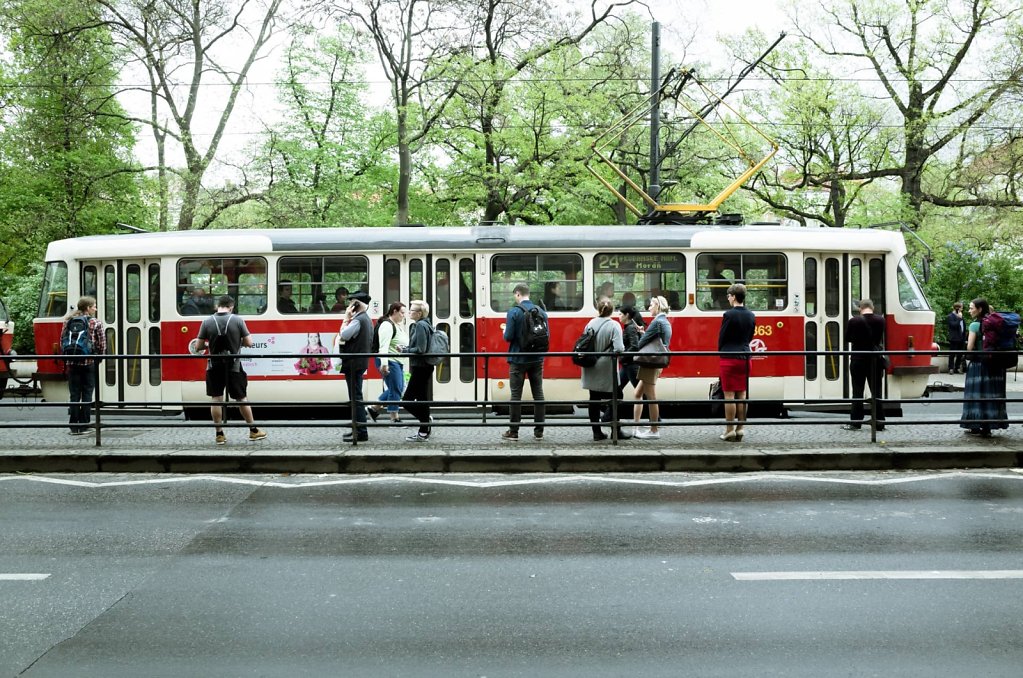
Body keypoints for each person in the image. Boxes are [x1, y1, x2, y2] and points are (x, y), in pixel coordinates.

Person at [194, 295, 267, 445]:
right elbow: (249, 342)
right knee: (241, 398)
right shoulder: (237, 320)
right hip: (234, 365)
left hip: (214, 365)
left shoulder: (207, 322)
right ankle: (253, 431)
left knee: (216, 399)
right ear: (231, 307)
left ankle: (219, 434)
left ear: (217, 306)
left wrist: (209, 345)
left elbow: (198, 347)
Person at [502, 283, 547, 441]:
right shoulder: (541, 311)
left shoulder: (514, 311)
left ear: (518, 294)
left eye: (515, 295)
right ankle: (539, 431)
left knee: (516, 395)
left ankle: (513, 432)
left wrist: (505, 331)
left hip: (518, 358)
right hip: (536, 358)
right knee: (538, 394)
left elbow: (508, 337)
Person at [960, 297, 1009, 437]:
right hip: (996, 365)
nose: (969, 311)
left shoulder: (975, 325)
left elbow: (969, 347)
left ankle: (975, 424)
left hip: (979, 365)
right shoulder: (997, 323)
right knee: (991, 395)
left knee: (977, 394)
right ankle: (988, 426)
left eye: (971, 308)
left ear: (979, 309)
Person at [581, 299, 625, 441]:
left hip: (591, 365)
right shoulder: (614, 325)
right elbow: (619, 348)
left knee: (594, 399)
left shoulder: (590, 324)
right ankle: (616, 431)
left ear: (598, 309)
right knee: (617, 397)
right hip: (607, 367)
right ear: (611, 311)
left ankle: (596, 432)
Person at [61, 296, 107, 435]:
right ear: (87, 308)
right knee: (87, 394)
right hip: (88, 362)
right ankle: (84, 425)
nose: (95, 308)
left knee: (74, 394)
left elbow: (62, 340)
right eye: (94, 306)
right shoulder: (95, 322)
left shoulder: (68, 321)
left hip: (72, 362)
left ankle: (74, 426)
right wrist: (99, 357)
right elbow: (102, 344)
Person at [718, 283, 756, 441]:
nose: (728, 298)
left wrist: (722, 349)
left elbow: (722, 337)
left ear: (733, 296)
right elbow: (750, 336)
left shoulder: (728, 314)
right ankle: (741, 428)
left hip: (729, 358)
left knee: (729, 395)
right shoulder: (751, 315)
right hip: (745, 357)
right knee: (742, 394)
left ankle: (729, 430)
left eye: (728, 295)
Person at [631, 295, 672, 439]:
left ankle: (654, 430)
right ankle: (635, 427)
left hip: (650, 363)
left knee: (651, 397)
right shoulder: (665, 322)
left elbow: (642, 343)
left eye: (651, 305)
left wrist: (641, 335)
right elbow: (656, 340)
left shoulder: (657, 322)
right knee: (637, 393)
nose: (649, 308)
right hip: (654, 362)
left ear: (658, 306)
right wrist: (644, 332)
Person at [844, 298, 887, 432]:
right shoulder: (881, 320)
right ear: (872, 307)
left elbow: (847, 339)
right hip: (875, 360)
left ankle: (856, 422)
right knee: (877, 392)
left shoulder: (854, 321)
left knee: (857, 391)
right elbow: (881, 338)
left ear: (860, 308)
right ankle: (879, 422)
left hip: (858, 360)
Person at [338, 291, 373, 442]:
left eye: (351, 302)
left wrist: (346, 318)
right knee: (356, 397)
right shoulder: (366, 319)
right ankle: (357, 429)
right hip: (359, 362)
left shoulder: (358, 320)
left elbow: (344, 335)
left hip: (353, 363)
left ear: (356, 304)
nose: (348, 305)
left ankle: (360, 432)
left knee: (355, 398)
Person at [368, 301, 408, 424]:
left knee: (398, 388)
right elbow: (383, 346)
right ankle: (394, 417)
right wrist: (384, 363)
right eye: (402, 313)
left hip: (396, 361)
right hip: (389, 361)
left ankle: (374, 408)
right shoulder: (387, 325)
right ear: (394, 311)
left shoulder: (396, 325)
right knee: (396, 388)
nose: (404, 315)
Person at [401, 299, 434, 441]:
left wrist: (405, 350)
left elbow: (421, 349)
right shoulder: (425, 323)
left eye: (412, 310)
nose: (409, 312)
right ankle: (423, 432)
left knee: (407, 399)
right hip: (424, 366)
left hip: (420, 366)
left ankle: (425, 421)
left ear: (419, 313)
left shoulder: (420, 325)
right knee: (422, 399)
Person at [946, 301, 966, 374]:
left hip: (962, 338)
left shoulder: (961, 316)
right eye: (961, 308)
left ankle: (957, 368)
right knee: (952, 354)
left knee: (960, 354)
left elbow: (963, 327)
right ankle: (950, 368)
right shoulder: (950, 316)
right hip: (954, 338)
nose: (962, 309)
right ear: (957, 308)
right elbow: (953, 326)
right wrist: (959, 318)